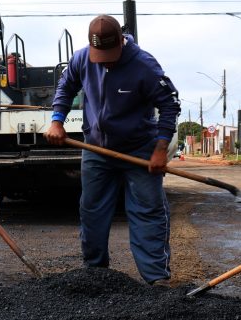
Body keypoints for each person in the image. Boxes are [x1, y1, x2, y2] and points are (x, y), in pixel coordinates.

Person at [43, 15, 181, 286]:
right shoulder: (82, 59)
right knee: (92, 211)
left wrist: (160, 149)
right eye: (99, 55)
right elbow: (66, 87)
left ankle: (156, 280)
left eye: (109, 54)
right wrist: (57, 121)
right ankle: (95, 276)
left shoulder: (145, 66)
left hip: (139, 150)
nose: (104, 60)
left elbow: (169, 106)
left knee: (147, 211)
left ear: (121, 41)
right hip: (96, 149)